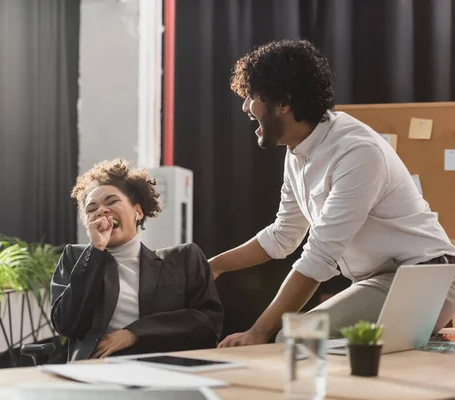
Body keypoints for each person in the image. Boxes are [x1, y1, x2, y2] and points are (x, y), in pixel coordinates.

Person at [210, 39, 455, 347]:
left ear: (283, 103)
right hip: (381, 280)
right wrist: (215, 265)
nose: (247, 106)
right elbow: (283, 236)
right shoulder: (298, 153)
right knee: (299, 335)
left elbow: (319, 256)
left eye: (253, 97)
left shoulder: (356, 152)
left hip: (425, 278)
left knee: (296, 337)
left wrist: (258, 332)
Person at [51, 159, 224, 360]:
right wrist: (96, 251)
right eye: (91, 209)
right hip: (98, 370)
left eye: (111, 201)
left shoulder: (183, 258)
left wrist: (135, 333)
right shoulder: (75, 259)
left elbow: (208, 323)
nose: (101, 211)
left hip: (164, 367)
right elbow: (67, 324)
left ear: (138, 211)